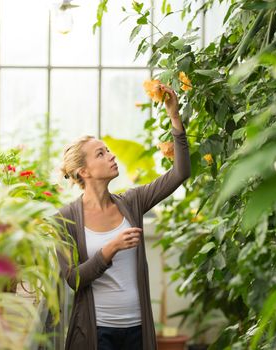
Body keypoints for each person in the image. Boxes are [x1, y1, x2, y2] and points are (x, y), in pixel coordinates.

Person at [54, 84, 191, 350]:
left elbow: (180, 173)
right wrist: (111, 248)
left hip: (137, 331)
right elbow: (74, 280)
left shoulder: (132, 202)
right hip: (97, 332)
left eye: (108, 150)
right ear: (84, 172)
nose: (112, 155)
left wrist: (175, 118)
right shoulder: (66, 219)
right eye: (101, 154)